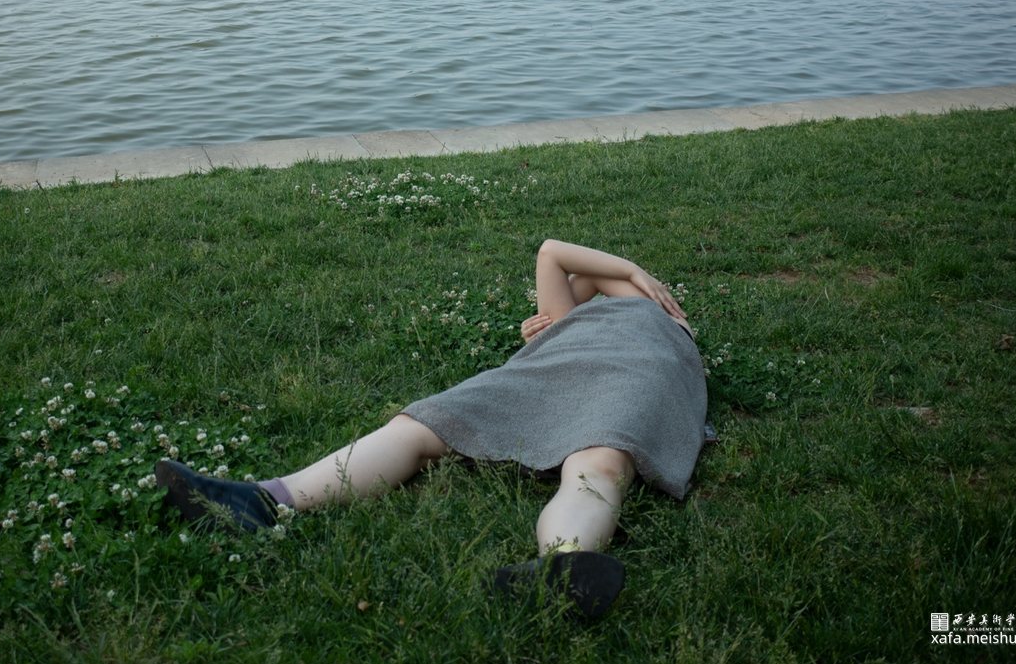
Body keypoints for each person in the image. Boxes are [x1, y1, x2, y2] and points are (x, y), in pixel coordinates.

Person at [155, 239, 707, 620]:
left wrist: (630, 277)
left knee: (600, 460)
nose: (586, 291)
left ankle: (562, 568)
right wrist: (598, 293)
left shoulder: (660, 315)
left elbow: (576, 269)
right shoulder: (569, 320)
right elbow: (552, 255)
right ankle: (265, 501)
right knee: (424, 422)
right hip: (550, 368)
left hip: (638, 366)